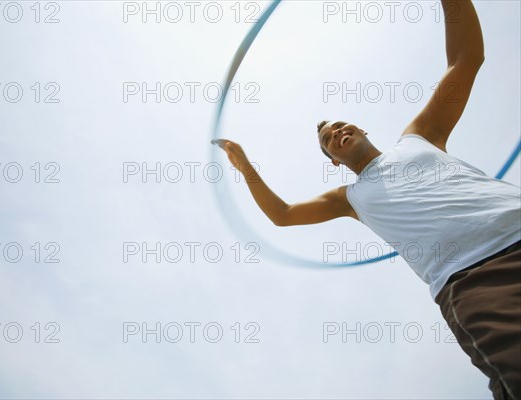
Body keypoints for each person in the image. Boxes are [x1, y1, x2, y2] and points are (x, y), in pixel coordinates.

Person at [217, 1, 521, 399]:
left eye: (340, 125)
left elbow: (466, 59)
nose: (336, 132)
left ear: (360, 128)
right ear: (334, 160)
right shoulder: (350, 197)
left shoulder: (420, 136)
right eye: (328, 139)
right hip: (476, 277)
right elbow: (283, 214)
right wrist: (245, 167)